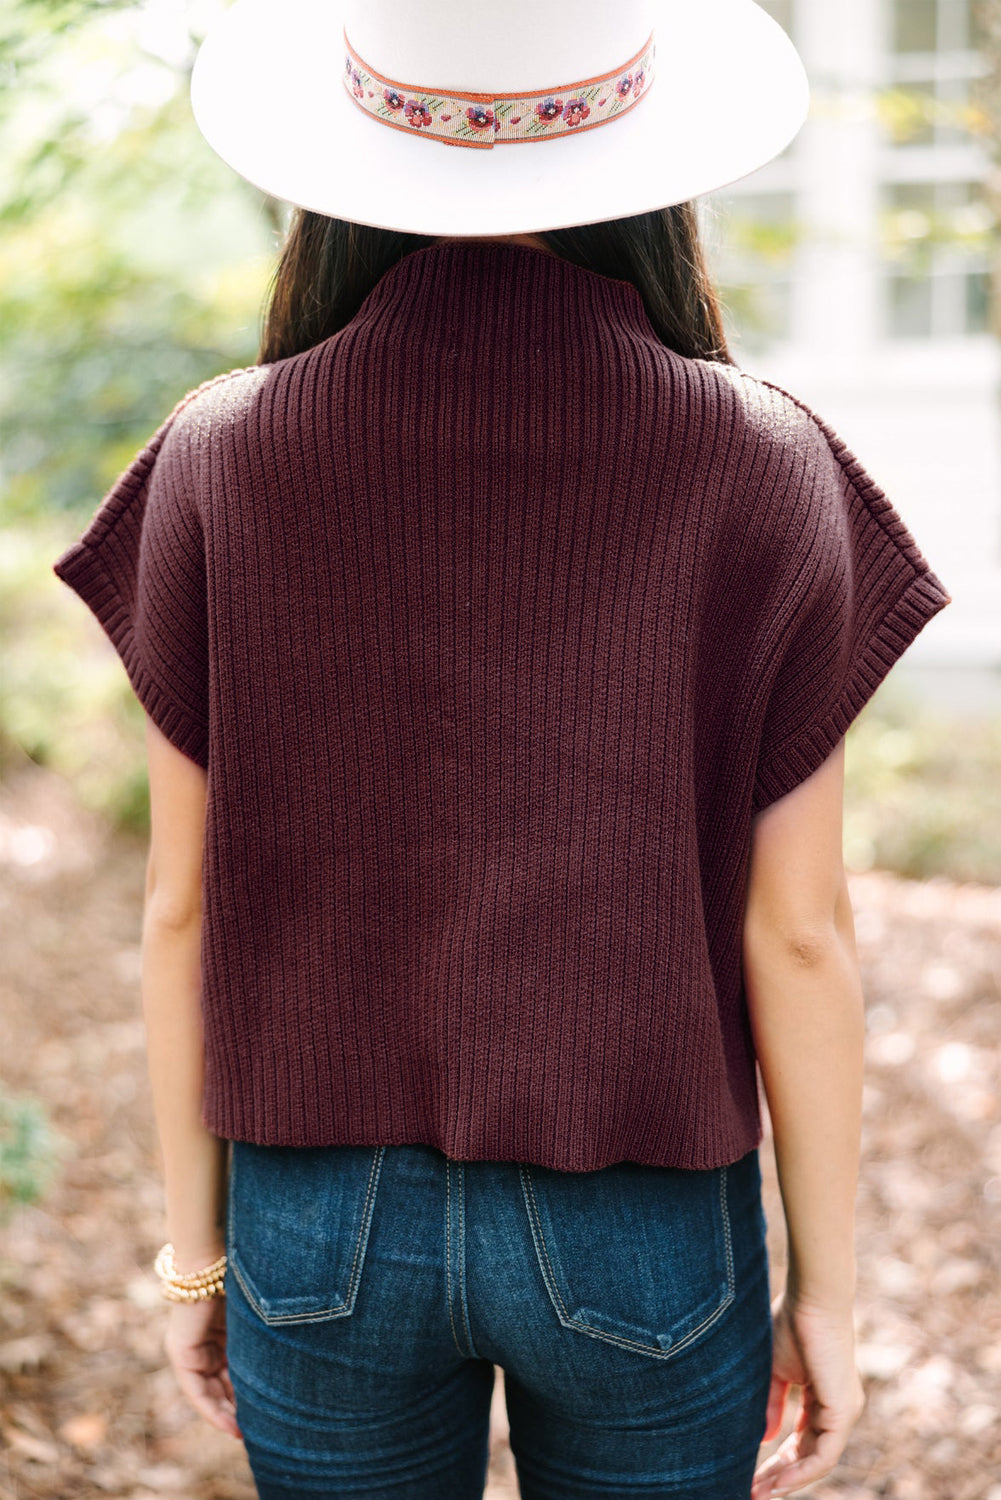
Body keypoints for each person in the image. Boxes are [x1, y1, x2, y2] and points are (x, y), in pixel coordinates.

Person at [51, 1, 953, 1497]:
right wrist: (831, 1299)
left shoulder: (221, 451)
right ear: (647, 165)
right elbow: (797, 937)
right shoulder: (761, 462)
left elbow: (181, 908)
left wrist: (195, 1262)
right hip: (645, 1227)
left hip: (315, 1225)